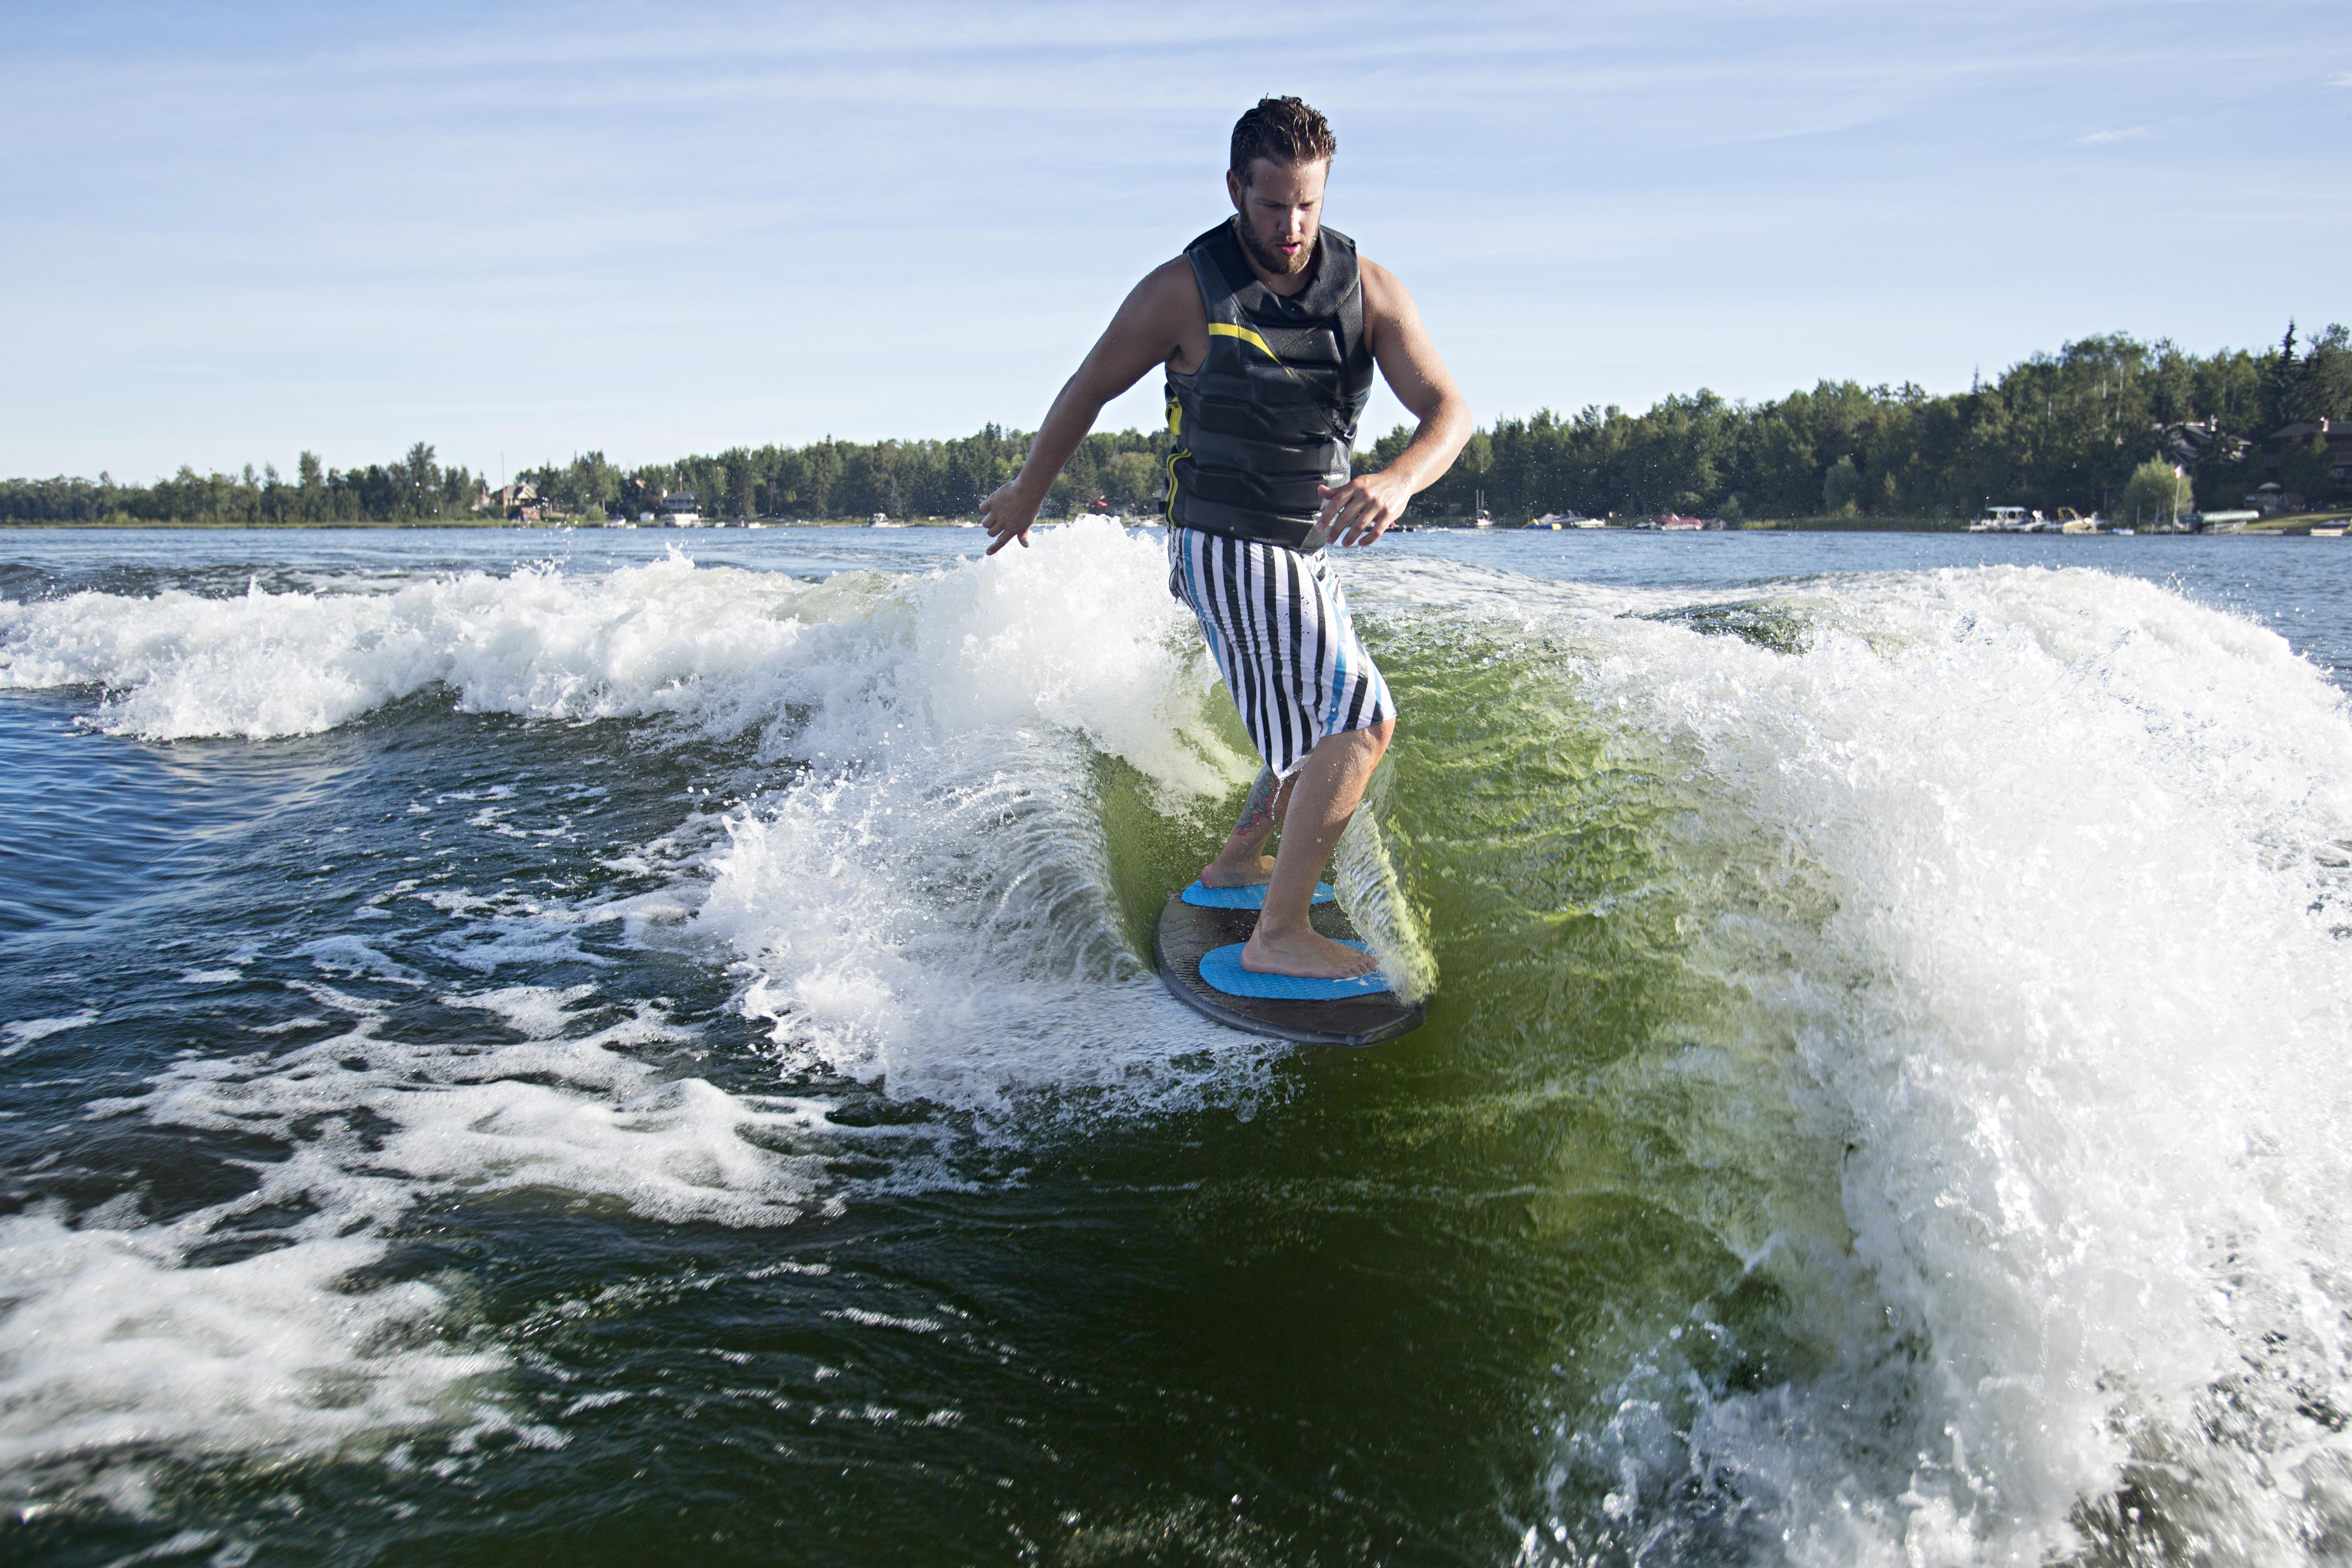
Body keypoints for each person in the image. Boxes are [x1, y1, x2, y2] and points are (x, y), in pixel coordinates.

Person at [980, 97, 1470, 979]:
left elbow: (1451, 412)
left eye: (1308, 206)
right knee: (1361, 718)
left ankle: (1239, 863)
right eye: (1273, 204)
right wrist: (1027, 493)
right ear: (1236, 188)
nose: (1291, 227)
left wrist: (1397, 478)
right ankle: (1279, 935)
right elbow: (1088, 387)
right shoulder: (1185, 288)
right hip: (1220, 539)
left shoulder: (1368, 288)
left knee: (1310, 723)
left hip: (1305, 543)